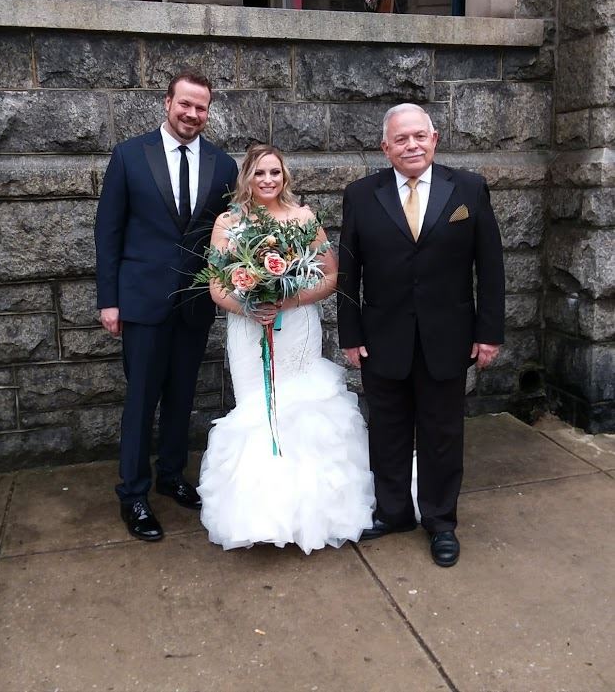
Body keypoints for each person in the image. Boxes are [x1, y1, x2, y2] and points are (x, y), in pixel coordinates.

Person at [337, 104, 505, 566]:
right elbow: (348, 272)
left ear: (434, 139)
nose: (411, 145)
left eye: (419, 136)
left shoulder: (468, 188)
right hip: (381, 337)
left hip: (448, 337)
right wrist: (349, 334)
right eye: (401, 139)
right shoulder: (361, 195)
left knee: (441, 433)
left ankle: (440, 521)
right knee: (387, 430)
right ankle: (393, 513)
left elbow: (490, 266)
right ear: (385, 147)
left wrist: (489, 332)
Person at [198, 144, 375, 554]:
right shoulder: (228, 222)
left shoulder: (303, 218)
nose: (267, 180)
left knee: (301, 410)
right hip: (248, 329)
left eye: (274, 172)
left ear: (285, 176)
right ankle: (260, 515)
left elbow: (330, 277)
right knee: (257, 410)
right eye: (259, 173)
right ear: (247, 177)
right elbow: (216, 285)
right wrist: (249, 304)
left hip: (297, 326)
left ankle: (311, 513)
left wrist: (288, 299)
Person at [95, 70, 238, 542]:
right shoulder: (129, 156)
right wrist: (109, 300)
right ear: (167, 102)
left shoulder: (222, 165)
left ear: (208, 111)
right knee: (141, 400)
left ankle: (172, 475)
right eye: (185, 104)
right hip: (141, 301)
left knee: (182, 395)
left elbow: (229, 234)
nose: (192, 114)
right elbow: (108, 232)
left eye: (201, 107)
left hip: (194, 303)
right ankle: (133, 493)